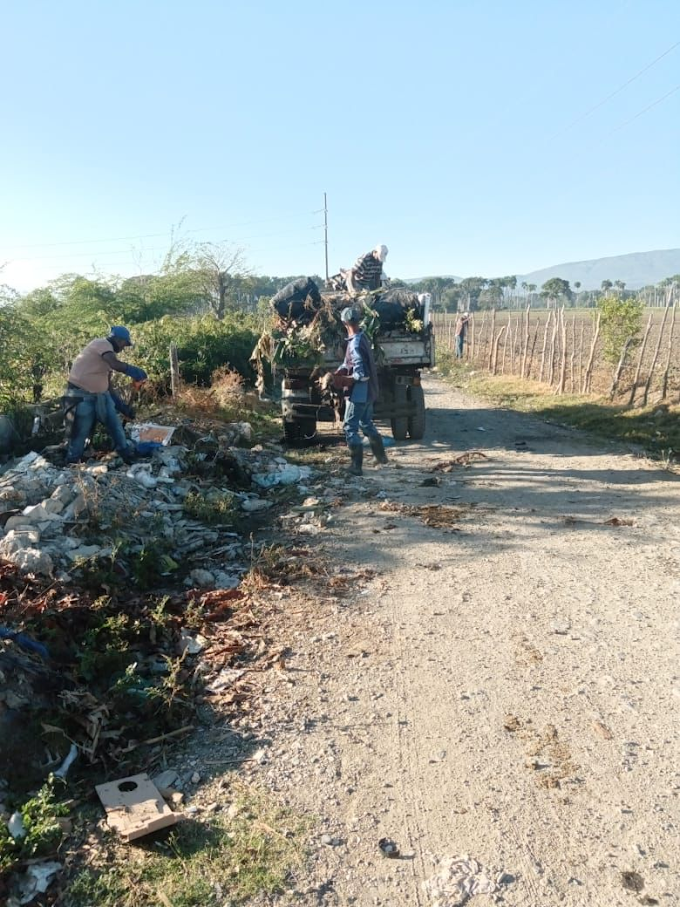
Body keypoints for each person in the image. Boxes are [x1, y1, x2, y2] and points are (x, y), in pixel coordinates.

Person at [64, 326, 147, 465]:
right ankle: (72, 463)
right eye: (124, 343)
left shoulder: (107, 356)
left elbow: (108, 386)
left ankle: (125, 453)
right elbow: (116, 365)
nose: (123, 347)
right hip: (81, 395)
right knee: (80, 431)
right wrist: (133, 370)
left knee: (115, 425)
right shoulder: (101, 344)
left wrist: (122, 407)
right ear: (118, 339)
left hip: (100, 396)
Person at [333, 307, 388, 476]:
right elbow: (348, 363)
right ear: (358, 321)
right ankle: (381, 458)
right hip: (370, 391)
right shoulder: (361, 337)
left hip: (359, 393)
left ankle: (356, 466)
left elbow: (361, 374)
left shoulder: (355, 343)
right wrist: (341, 370)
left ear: (344, 323)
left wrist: (347, 379)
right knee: (366, 423)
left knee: (350, 427)